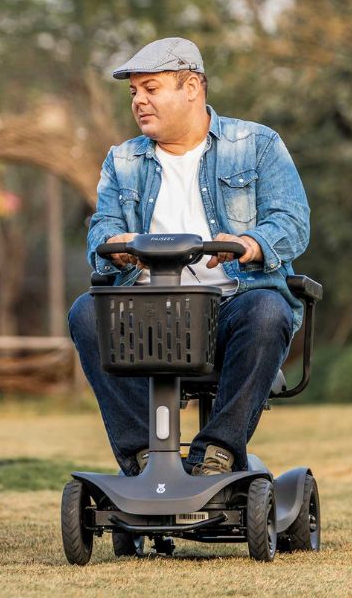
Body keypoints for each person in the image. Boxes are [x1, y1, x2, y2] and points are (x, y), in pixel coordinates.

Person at [68, 38, 310, 476]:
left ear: (192, 87)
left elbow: (292, 223)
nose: (139, 100)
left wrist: (249, 243)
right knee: (86, 312)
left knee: (270, 309)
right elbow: (100, 231)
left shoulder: (256, 144)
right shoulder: (122, 160)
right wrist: (118, 246)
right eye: (134, 92)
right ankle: (143, 457)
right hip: (146, 317)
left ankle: (218, 451)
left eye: (151, 88)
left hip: (231, 306)